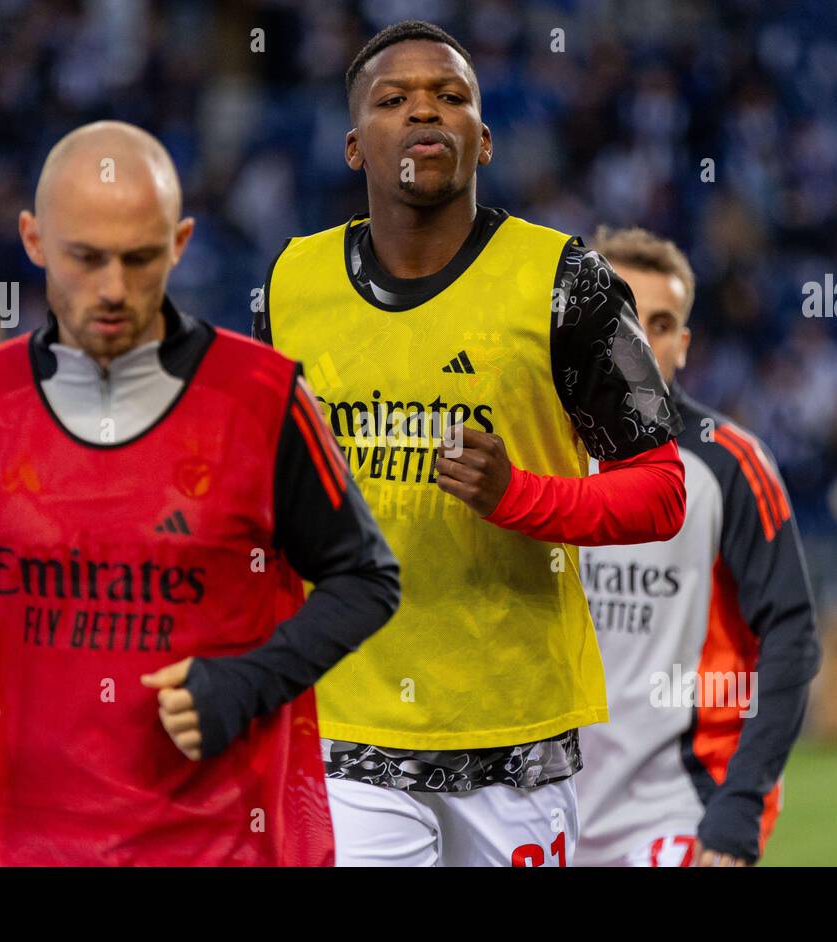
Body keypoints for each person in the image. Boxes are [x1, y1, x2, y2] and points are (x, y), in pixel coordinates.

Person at [0, 120, 400, 865]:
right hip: (13, 846)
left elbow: (367, 577)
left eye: (141, 257)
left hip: (213, 846)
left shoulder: (263, 399)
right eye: (85, 259)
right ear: (33, 240)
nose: (114, 289)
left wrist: (248, 682)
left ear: (181, 242)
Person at [257, 22, 686, 866]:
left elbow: (662, 489)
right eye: (394, 99)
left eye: (451, 97)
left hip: (518, 742)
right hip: (347, 735)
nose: (426, 110)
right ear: (353, 146)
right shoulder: (288, 284)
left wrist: (518, 496)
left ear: (482, 140)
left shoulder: (568, 283)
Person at [575, 227, 820, 867]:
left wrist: (740, 803)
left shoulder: (731, 465)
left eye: (659, 325)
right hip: (546, 807)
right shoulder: (537, 455)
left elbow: (792, 634)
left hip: (678, 808)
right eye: (620, 318)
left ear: (682, 345)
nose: (638, 342)